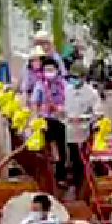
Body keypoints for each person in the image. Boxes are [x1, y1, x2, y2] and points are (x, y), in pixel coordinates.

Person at [29, 56, 70, 188]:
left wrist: (63, 109)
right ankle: (43, 176)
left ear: (57, 70)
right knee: (43, 150)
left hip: (61, 119)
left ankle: (61, 176)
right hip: (45, 120)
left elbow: (69, 101)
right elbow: (35, 103)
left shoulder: (64, 85)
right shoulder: (40, 85)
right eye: (46, 70)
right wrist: (36, 118)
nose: (49, 72)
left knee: (62, 148)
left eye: (51, 69)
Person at [63, 72, 103, 185]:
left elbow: (97, 112)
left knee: (85, 155)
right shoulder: (66, 90)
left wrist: (83, 118)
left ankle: (86, 178)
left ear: (83, 77)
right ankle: (76, 178)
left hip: (85, 127)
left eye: (76, 77)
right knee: (73, 154)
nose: (74, 80)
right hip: (69, 127)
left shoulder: (91, 93)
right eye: (72, 77)